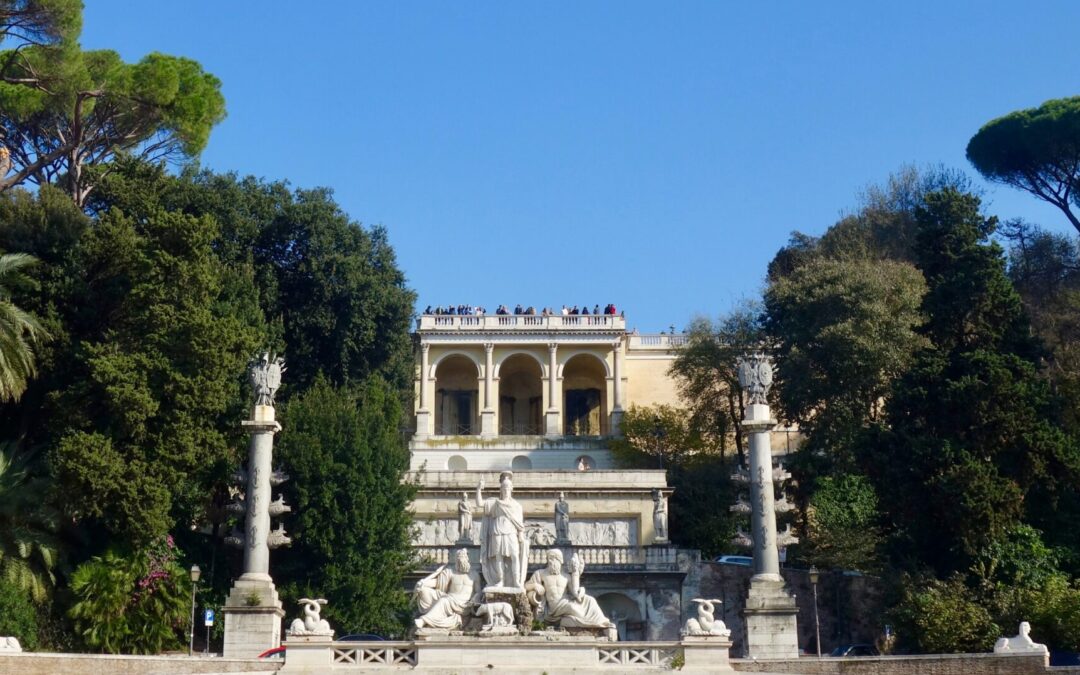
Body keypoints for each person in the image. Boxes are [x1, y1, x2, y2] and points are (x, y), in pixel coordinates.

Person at [526, 549, 613, 629]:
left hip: (565, 601)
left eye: (554, 559)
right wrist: (534, 585)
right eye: (550, 559)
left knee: (590, 600)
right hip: (553, 608)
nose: (551, 562)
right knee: (572, 607)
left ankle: (601, 621)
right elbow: (525, 586)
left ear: (560, 561)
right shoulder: (541, 573)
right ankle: (590, 623)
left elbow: (574, 593)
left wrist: (580, 589)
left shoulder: (566, 576)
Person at [476, 473, 527, 590]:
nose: (506, 491)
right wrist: (479, 489)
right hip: (497, 531)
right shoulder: (495, 503)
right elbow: (480, 504)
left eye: (508, 488)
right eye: (504, 488)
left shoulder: (516, 505)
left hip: (511, 532)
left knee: (515, 556)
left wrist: (521, 535)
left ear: (511, 489)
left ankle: (516, 581)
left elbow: (520, 524)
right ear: (501, 489)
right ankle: (500, 581)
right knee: (498, 557)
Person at [414, 549, 476, 630]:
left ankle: (423, 620)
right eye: (459, 558)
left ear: (468, 559)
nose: (461, 561)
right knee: (424, 590)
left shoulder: (474, 575)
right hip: (449, 597)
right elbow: (437, 583)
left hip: (463, 604)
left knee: (444, 601)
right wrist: (423, 584)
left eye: (463, 557)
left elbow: (478, 591)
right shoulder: (450, 572)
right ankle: (431, 619)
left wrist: (475, 599)